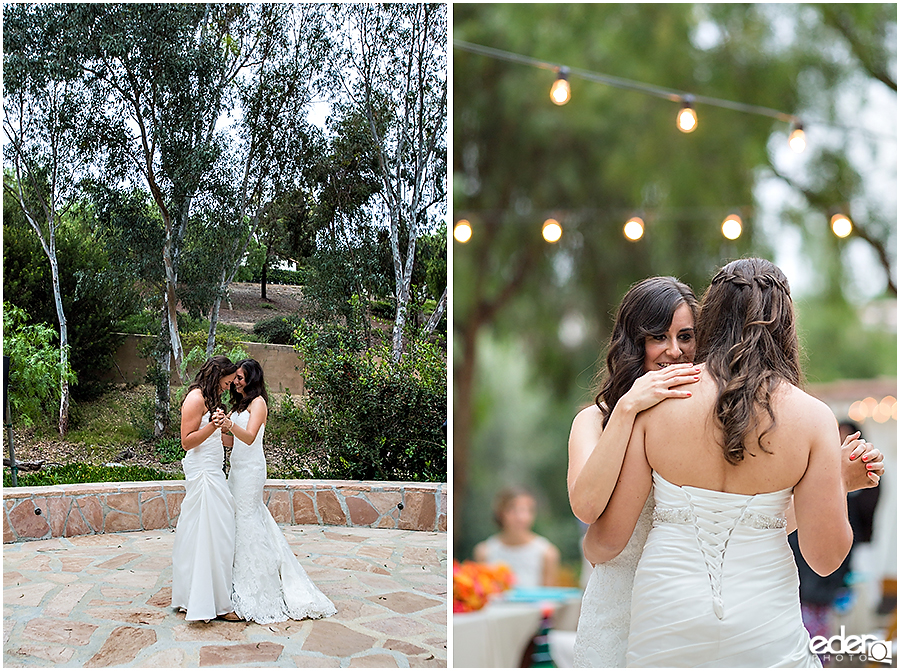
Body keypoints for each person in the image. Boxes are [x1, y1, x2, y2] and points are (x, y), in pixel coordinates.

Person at [571, 273, 883, 667]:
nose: (673, 352)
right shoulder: (812, 417)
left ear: (709, 326)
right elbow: (822, 556)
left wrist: (832, 481)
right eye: (657, 337)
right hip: (748, 612)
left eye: (685, 337)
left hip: (664, 607)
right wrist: (833, 482)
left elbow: (602, 542)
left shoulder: (658, 414)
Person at [213, 359, 336, 623]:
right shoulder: (239, 405)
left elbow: (249, 436)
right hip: (236, 469)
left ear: (252, 379)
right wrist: (215, 427)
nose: (236, 382)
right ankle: (233, 582)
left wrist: (230, 426)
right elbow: (231, 441)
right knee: (240, 520)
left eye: (241, 378)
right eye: (235, 378)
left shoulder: (259, 404)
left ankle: (255, 589)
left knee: (247, 519)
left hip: (252, 471)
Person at [171, 355, 239, 622]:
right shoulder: (195, 398)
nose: (229, 386)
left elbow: (213, 436)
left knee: (217, 535)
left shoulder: (211, 399)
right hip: (202, 474)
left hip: (213, 470)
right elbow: (187, 442)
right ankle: (207, 602)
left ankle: (204, 597)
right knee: (205, 533)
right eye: (227, 380)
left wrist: (225, 427)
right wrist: (212, 425)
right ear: (217, 375)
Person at [473, 486, 561, 588]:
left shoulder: (547, 553)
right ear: (501, 513)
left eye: (528, 510)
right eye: (513, 510)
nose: (521, 517)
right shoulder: (484, 552)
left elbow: (548, 598)